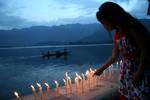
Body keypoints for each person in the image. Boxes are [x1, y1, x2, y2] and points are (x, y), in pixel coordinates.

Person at [94, 2, 150, 100]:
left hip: (139, 68)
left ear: (111, 17)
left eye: (103, 22)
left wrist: (140, 72)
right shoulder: (117, 34)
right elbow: (114, 56)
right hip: (126, 72)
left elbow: (145, 49)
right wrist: (101, 69)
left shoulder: (132, 28)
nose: (104, 26)